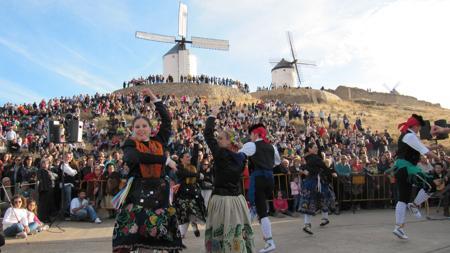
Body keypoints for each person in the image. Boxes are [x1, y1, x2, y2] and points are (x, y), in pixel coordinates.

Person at [112, 88, 183, 253]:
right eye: (137, 126)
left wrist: (154, 99)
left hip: (160, 192)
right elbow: (136, 158)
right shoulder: (129, 144)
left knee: (156, 233)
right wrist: (164, 159)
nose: (141, 129)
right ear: (133, 129)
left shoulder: (159, 140)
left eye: (144, 125)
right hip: (138, 192)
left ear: (151, 128)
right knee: (134, 233)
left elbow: (167, 119)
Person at [203, 110, 255, 253]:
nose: (218, 140)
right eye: (218, 138)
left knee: (221, 233)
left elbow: (207, 135)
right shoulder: (242, 158)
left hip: (221, 200)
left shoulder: (220, 154)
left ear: (228, 141)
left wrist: (212, 116)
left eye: (220, 138)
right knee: (236, 231)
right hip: (237, 201)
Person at [391, 114, 441, 240]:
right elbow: (425, 151)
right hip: (408, 169)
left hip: (402, 169)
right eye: (419, 127)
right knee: (432, 186)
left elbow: (420, 147)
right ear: (415, 126)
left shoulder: (408, 136)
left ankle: (399, 227)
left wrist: (434, 147)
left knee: (402, 199)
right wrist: (437, 157)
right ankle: (414, 205)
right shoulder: (409, 136)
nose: (419, 129)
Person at [239, 123, 280, 253]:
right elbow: (277, 162)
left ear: (256, 134)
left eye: (251, 134)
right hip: (270, 179)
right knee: (258, 209)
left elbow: (238, 156)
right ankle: (247, 236)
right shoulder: (272, 146)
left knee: (259, 210)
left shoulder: (251, 145)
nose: (250, 136)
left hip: (258, 179)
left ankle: (268, 241)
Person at [299, 143, 337, 235]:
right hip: (314, 183)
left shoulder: (307, 158)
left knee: (312, 202)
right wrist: (333, 172)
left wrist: (304, 171)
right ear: (310, 149)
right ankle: (310, 224)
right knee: (314, 201)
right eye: (315, 147)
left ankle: (310, 223)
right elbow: (324, 167)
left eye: (317, 147)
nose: (317, 149)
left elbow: (302, 168)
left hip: (314, 182)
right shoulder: (314, 158)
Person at [174, 144, 207, 239]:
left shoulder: (192, 165)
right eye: (187, 157)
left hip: (193, 193)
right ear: (181, 159)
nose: (189, 158)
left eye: (189, 156)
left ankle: (192, 225)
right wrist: (197, 175)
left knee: (193, 212)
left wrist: (196, 145)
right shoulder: (178, 167)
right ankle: (182, 233)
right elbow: (185, 174)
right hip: (182, 194)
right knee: (184, 214)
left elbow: (195, 157)